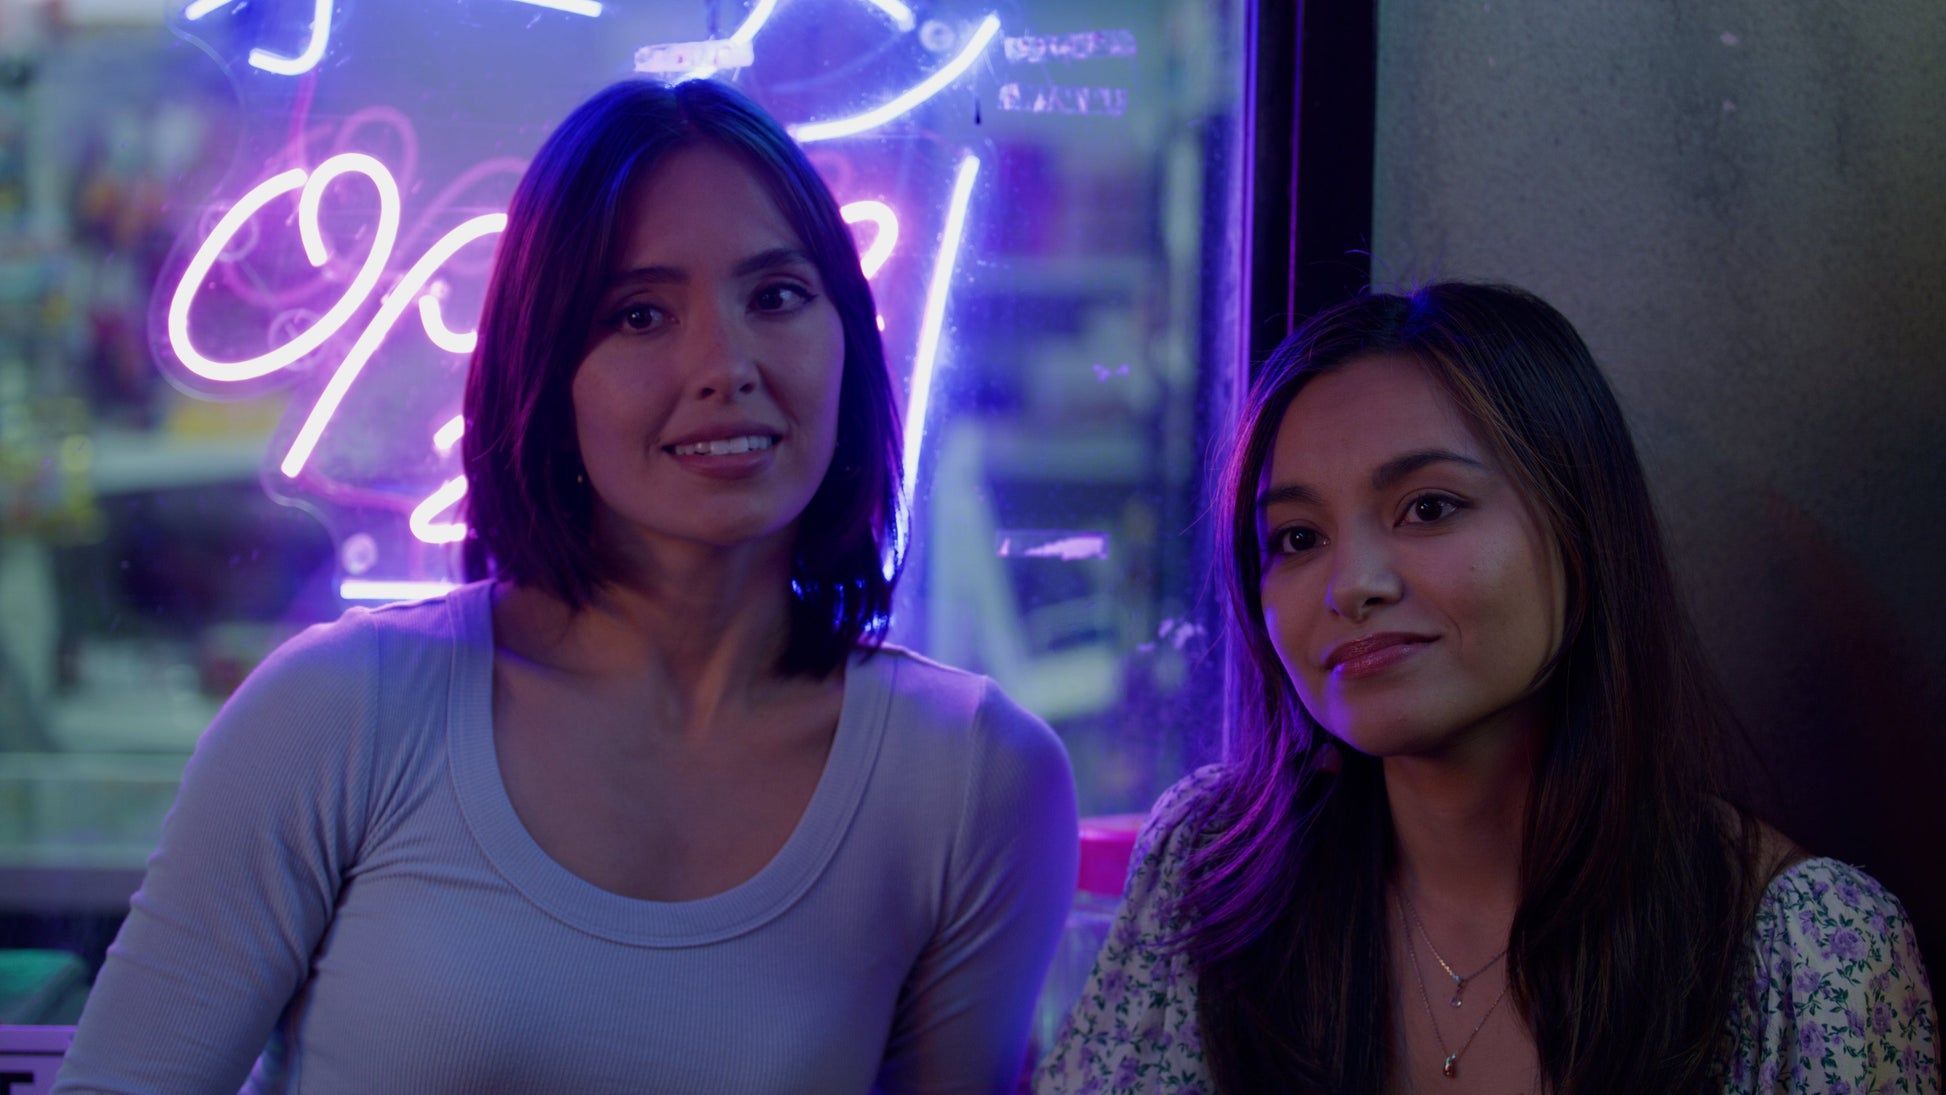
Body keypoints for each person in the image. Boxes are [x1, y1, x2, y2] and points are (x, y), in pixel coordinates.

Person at [57, 78, 1077, 1094]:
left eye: (775, 296)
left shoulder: (971, 779)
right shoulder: (337, 716)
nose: (724, 365)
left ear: (848, 334)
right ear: (543, 372)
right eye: (639, 315)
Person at [1037, 283, 1936, 1093]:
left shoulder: (1809, 950)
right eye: (1298, 538)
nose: (1352, 585)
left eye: (1428, 507)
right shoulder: (1212, 871)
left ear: (1583, 528)